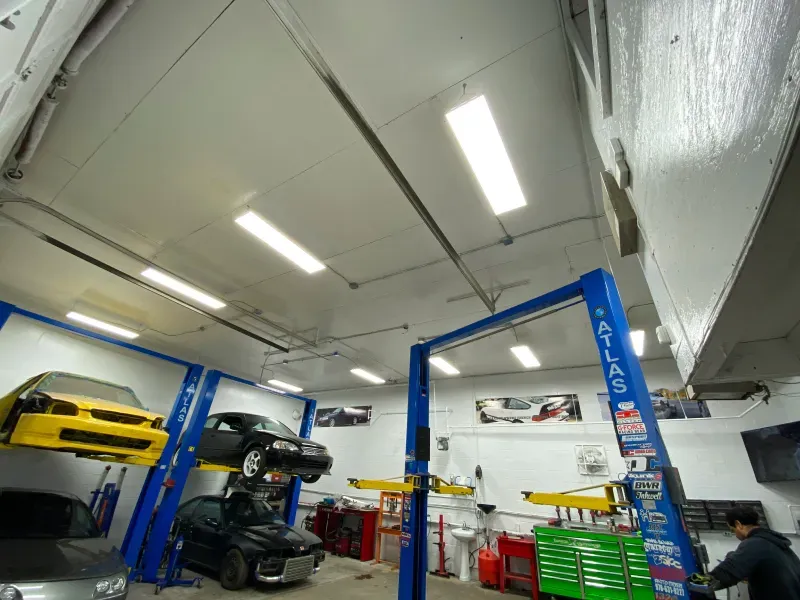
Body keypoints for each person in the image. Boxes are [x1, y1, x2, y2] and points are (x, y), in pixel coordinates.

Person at [707, 505, 800, 599]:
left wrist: (699, 582)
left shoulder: (754, 543)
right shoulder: (776, 543)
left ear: (738, 524)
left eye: (732, 530)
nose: (735, 534)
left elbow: (727, 572)